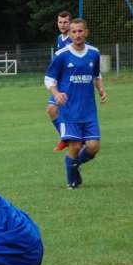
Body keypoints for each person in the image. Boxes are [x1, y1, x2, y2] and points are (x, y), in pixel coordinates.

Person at [44, 18, 107, 189]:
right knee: (76, 145)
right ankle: (71, 182)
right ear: (69, 34)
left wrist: (101, 89)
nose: (77, 35)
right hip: (69, 110)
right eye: (74, 32)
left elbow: (97, 75)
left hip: (89, 110)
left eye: (80, 31)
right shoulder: (61, 55)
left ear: (86, 32)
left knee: (93, 147)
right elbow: (49, 78)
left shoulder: (94, 52)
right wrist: (56, 93)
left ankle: (73, 164)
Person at [47, 11, 73, 153]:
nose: (62, 25)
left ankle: (75, 140)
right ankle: (65, 139)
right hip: (60, 82)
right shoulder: (60, 38)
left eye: (65, 22)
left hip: (71, 83)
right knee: (52, 110)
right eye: (60, 22)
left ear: (70, 23)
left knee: (69, 112)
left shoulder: (75, 38)